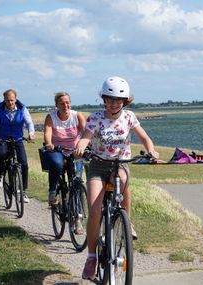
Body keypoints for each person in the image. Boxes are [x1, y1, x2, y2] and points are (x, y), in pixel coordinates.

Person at [74, 76, 159, 280]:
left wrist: (152, 151)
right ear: (104, 99)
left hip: (120, 164)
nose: (114, 103)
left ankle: (127, 221)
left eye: (118, 100)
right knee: (94, 210)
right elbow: (86, 136)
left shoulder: (129, 117)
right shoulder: (95, 118)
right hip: (97, 166)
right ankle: (92, 257)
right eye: (110, 99)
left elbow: (144, 137)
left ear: (125, 102)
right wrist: (81, 145)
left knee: (123, 182)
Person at [0, 89, 35, 203]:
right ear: (4, 99)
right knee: (2, 153)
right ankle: (1, 174)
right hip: (2, 138)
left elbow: (29, 122)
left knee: (23, 162)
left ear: (16, 99)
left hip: (17, 138)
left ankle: (24, 191)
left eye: (12, 100)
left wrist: (31, 133)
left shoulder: (22, 108)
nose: (10, 103)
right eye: (7, 100)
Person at [43, 92, 86, 205]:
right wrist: (48, 143)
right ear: (56, 105)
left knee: (77, 180)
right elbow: (47, 133)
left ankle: (78, 212)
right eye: (62, 103)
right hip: (57, 149)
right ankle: (52, 191)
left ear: (70, 103)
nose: (65, 105)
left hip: (75, 150)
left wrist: (86, 145)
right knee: (57, 165)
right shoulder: (51, 117)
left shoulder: (77, 115)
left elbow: (86, 133)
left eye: (67, 103)